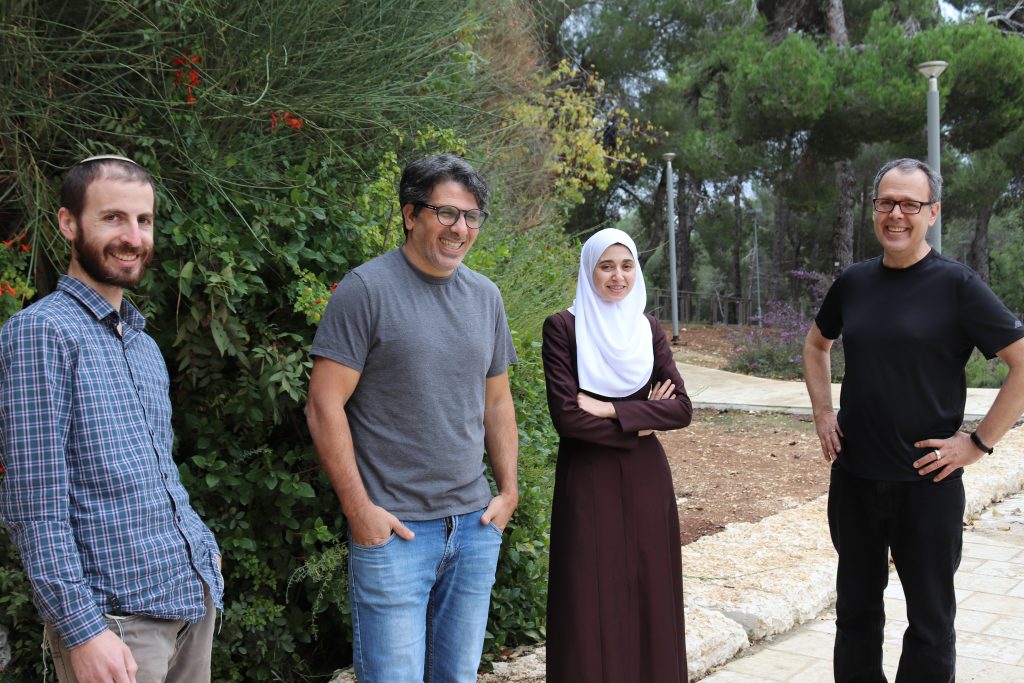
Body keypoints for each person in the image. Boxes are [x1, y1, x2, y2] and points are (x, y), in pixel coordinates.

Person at [0, 155, 223, 683]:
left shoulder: (143, 345)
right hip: (115, 627)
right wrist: (81, 630)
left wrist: (204, 554)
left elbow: (158, 475)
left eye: (143, 221)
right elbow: (35, 506)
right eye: (113, 218)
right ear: (68, 223)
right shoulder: (42, 335)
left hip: (190, 601)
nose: (133, 236)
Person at [803, 158, 1024, 682]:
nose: (895, 214)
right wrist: (822, 412)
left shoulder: (957, 286)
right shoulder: (854, 283)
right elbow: (816, 345)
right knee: (855, 614)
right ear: (874, 209)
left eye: (910, 204)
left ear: (933, 213)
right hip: (855, 478)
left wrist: (977, 443)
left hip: (929, 484)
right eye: (886, 202)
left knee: (929, 623)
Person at [305, 153, 519, 682]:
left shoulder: (486, 297)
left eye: (471, 217)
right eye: (446, 213)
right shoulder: (366, 290)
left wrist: (509, 491)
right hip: (395, 533)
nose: (460, 228)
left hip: (473, 527)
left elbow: (497, 402)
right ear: (410, 214)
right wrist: (360, 512)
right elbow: (322, 404)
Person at [542, 228, 692, 683]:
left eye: (626, 266)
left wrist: (612, 409)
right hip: (588, 476)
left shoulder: (647, 328)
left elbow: (681, 408)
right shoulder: (563, 328)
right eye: (606, 266)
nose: (617, 276)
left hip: (646, 480)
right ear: (589, 269)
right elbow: (568, 419)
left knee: (649, 588)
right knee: (589, 589)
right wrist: (643, 423)